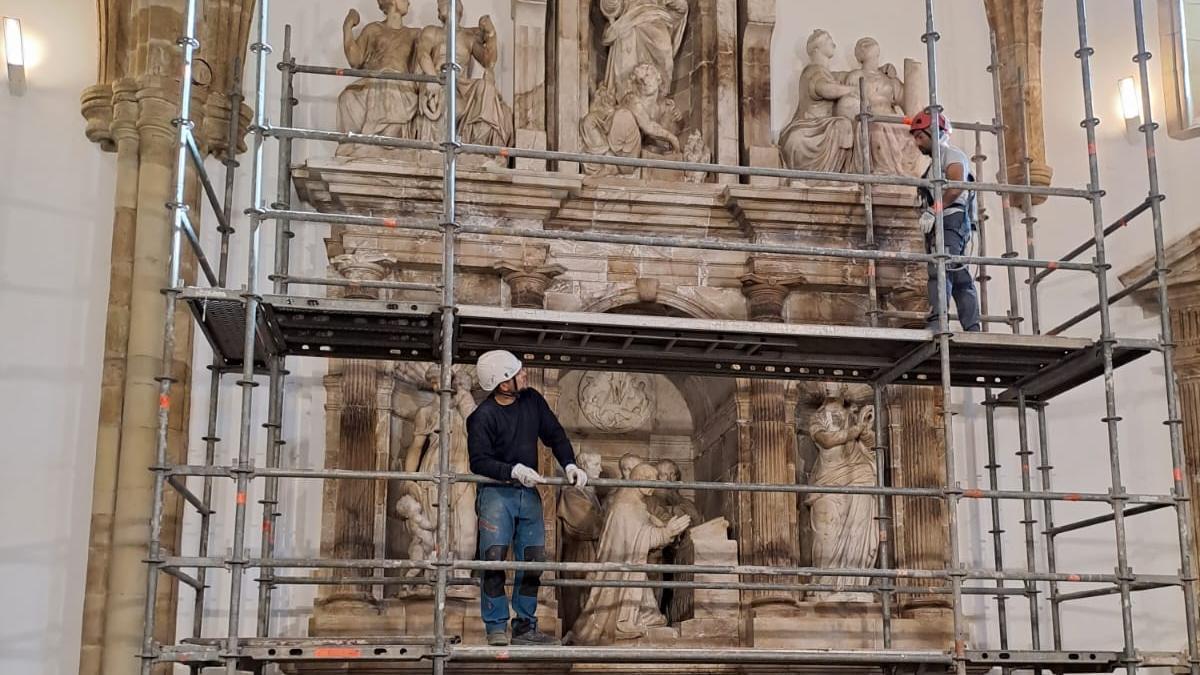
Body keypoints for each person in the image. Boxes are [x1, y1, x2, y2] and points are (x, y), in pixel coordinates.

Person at [467, 350, 589, 647]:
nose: (525, 375)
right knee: (494, 558)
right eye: (518, 373)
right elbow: (478, 462)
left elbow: (554, 434)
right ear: (503, 384)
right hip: (496, 493)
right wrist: (512, 470)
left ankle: (525, 627)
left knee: (533, 559)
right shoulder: (481, 417)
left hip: (527, 493)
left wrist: (570, 463)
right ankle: (496, 625)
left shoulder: (532, 400)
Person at [909, 110, 981, 332]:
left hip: (951, 221)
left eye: (920, 137)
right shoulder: (934, 166)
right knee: (958, 275)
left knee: (940, 270)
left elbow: (956, 186)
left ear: (933, 132)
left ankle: (938, 322)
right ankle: (972, 327)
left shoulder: (952, 155)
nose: (917, 143)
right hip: (945, 222)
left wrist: (933, 209)